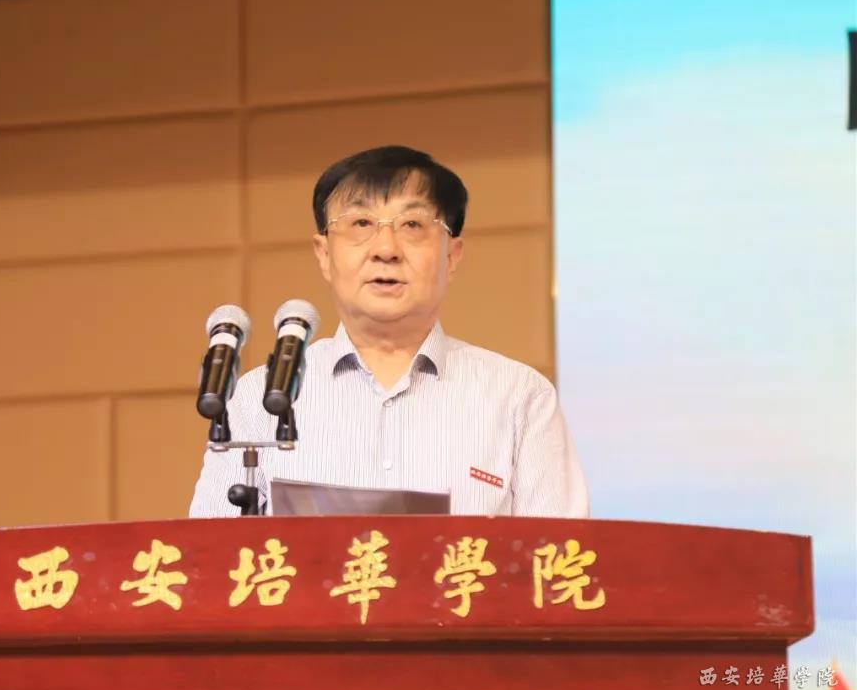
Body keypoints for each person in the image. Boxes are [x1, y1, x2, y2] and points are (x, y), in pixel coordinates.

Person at [189, 145, 587, 517]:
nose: (386, 249)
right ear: (324, 254)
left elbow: (561, 557)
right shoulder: (258, 399)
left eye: (412, 224)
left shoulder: (519, 397)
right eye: (361, 223)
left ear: (451, 255)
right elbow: (208, 553)